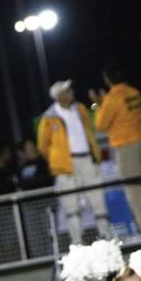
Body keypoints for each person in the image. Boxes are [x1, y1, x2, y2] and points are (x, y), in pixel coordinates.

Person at [90, 64, 141, 237]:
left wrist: (99, 104)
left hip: (126, 144)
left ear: (108, 80)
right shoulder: (134, 92)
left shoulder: (112, 97)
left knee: (134, 187)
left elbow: (100, 124)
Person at [38, 80, 111, 244]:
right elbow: (43, 146)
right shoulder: (48, 118)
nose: (71, 92)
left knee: (98, 199)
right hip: (66, 165)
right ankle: (77, 243)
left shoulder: (80, 109)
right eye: (67, 90)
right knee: (72, 207)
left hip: (87, 159)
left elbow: (89, 131)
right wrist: (57, 161)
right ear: (59, 96)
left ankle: (106, 237)